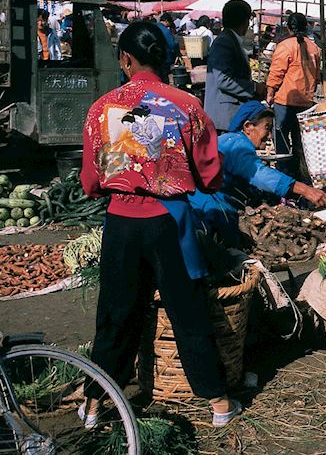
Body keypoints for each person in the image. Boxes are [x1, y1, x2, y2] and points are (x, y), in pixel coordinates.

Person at [80, 21, 241, 428]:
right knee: (188, 311)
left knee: (115, 316)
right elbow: (210, 176)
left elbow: (91, 182)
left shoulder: (102, 109)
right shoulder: (186, 105)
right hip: (171, 223)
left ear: (125, 59)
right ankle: (220, 403)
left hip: (121, 224)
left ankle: (95, 405)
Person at [190, 101, 326, 244]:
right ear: (248, 126)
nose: (269, 136)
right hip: (208, 206)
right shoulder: (238, 146)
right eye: (267, 128)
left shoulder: (230, 140)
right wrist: (305, 190)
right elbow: (259, 174)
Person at [266, 12, 321, 178]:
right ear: (306, 27)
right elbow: (317, 76)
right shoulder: (314, 48)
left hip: (285, 100)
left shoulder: (285, 46)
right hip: (305, 101)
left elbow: (276, 73)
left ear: (288, 27)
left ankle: (285, 173)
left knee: (281, 139)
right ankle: (300, 174)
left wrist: (270, 93)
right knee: (300, 142)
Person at [205, 0, 263, 132]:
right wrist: (254, 88)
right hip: (225, 115)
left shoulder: (231, 40)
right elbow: (223, 79)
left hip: (230, 114)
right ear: (244, 22)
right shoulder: (224, 42)